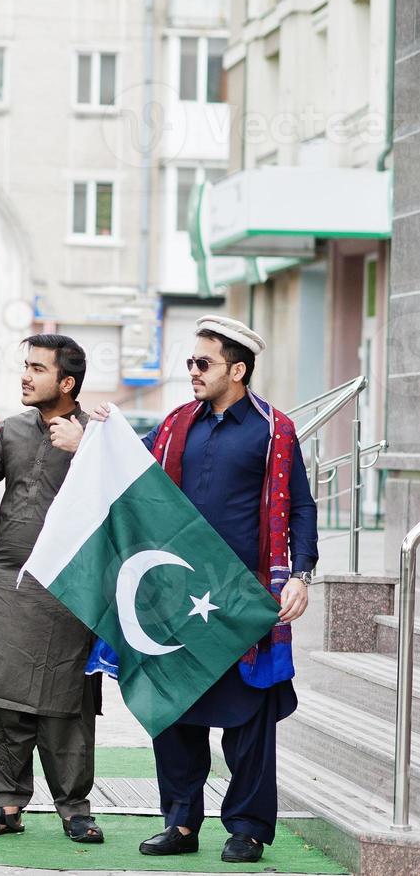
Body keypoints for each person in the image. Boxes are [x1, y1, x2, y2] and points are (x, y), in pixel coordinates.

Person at [83, 315, 317, 864]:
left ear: (237, 370)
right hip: (176, 595)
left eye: (202, 363)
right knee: (174, 707)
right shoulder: (174, 423)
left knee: (249, 720)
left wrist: (301, 574)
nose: (192, 370)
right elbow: (129, 463)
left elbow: (302, 506)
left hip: (244, 598)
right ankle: (181, 822)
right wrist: (94, 432)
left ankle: (248, 827)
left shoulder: (274, 430)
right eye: (190, 361)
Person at [0, 334, 102, 843]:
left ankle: (74, 808)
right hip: (6, 583)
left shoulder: (100, 434)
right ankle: (5, 803)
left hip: (69, 588)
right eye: (26, 366)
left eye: (38, 368)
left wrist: (87, 452)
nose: (26, 376)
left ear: (67, 382)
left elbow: (127, 499)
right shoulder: (10, 431)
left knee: (65, 700)